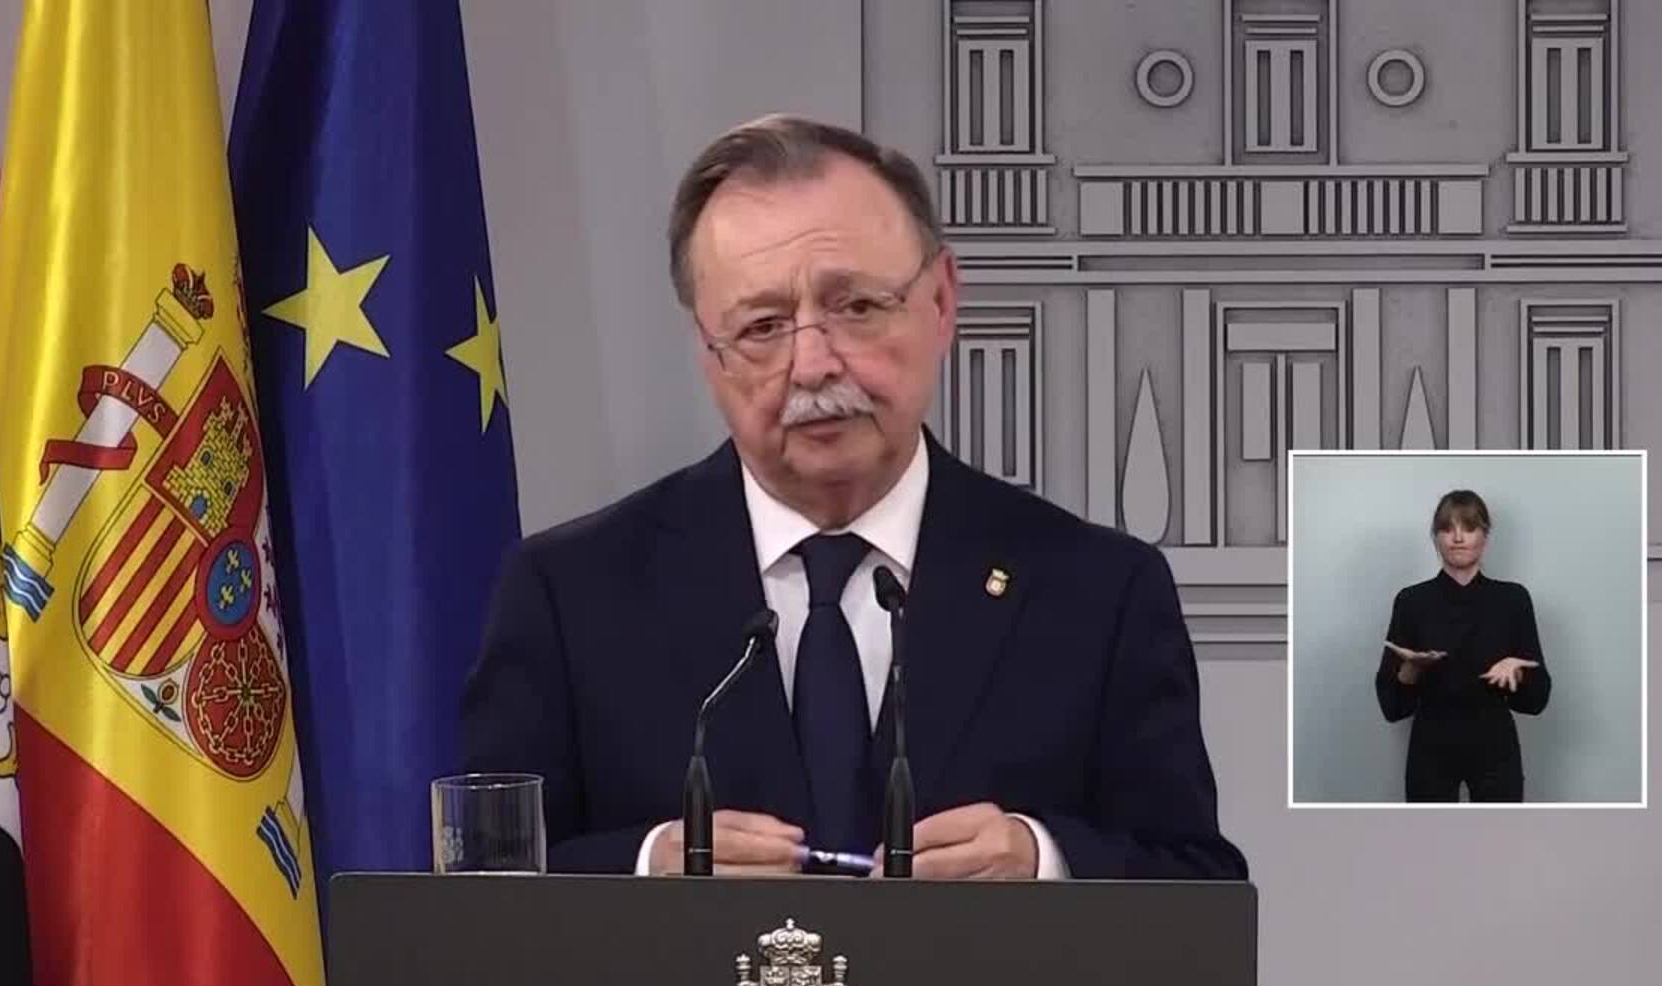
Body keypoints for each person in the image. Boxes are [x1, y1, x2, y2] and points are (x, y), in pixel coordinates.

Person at [460, 114, 1245, 880]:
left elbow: (1198, 891)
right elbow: (478, 890)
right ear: (707, 350)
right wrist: (642, 869)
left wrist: (1043, 861)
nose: (812, 366)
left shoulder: (1098, 592)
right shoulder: (571, 593)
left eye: (857, 308)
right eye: (762, 326)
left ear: (942, 301)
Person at [1376, 490, 1550, 801]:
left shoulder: (1512, 600)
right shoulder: (1412, 601)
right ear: (1436, 537)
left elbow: (1536, 701)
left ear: (1485, 537)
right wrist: (1410, 670)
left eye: (1469, 528)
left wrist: (1518, 672)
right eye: (1447, 528)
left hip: (1495, 744)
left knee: (1501, 831)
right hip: (1430, 746)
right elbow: (1392, 707)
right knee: (1429, 832)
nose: (1458, 538)